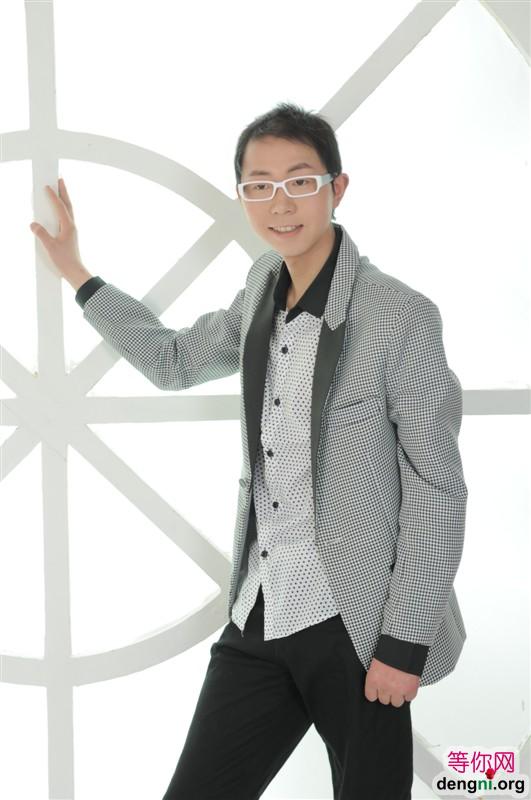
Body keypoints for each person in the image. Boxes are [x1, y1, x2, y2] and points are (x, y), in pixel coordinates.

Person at [29, 102, 468, 800]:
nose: (279, 203)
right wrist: (80, 277)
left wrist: (403, 643)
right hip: (261, 611)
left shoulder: (399, 315)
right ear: (242, 195)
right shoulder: (262, 283)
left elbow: (435, 488)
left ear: (337, 188)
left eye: (299, 181)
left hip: (358, 625)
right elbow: (174, 361)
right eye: (258, 185)